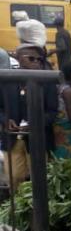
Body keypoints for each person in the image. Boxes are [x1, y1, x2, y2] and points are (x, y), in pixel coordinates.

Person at [0, 44, 59, 192]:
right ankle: (20, 209)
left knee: (39, 180)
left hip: (37, 139)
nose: (37, 62)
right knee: (13, 178)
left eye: (40, 59)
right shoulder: (7, 80)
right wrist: (5, 120)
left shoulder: (47, 81)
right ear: (18, 59)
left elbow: (52, 112)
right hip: (12, 138)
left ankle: (37, 211)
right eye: (31, 58)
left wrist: (35, 123)